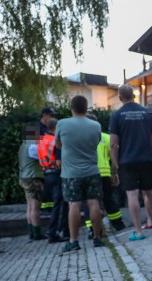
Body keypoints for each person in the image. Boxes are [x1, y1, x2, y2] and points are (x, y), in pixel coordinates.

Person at [109, 84, 152, 241]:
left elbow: (114, 143)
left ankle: (139, 231)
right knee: (150, 192)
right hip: (146, 158)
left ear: (120, 98)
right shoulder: (147, 113)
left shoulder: (117, 115)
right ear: (134, 95)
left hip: (126, 160)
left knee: (131, 194)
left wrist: (116, 163)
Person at [55, 95, 103, 252]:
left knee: (74, 205)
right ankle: (97, 238)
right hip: (92, 170)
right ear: (86, 107)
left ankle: (73, 241)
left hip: (71, 173)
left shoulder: (62, 124)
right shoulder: (95, 125)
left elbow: (58, 144)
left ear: (71, 107)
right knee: (94, 203)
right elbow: (96, 142)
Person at [84, 114, 126, 234]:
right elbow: (113, 158)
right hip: (104, 173)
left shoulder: (81, 138)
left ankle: (92, 229)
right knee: (109, 199)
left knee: (90, 202)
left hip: (88, 173)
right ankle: (118, 224)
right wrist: (115, 173)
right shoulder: (106, 137)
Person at [37, 118, 69, 243]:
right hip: (57, 174)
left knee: (55, 205)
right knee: (60, 205)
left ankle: (55, 231)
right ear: (56, 128)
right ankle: (56, 232)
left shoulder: (42, 140)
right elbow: (59, 162)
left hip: (46, 174)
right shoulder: (56, 141)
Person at [18, 123, 46, 240]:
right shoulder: (32, 146)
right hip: (33, 178)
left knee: (29, 206)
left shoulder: (22, 146)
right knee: (35, 207)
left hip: (24, 178)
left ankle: (31, 232)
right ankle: (37, 233)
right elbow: (41, 156)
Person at [39, 107, 56, 214]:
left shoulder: (49, 128)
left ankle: (49, 208)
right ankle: (44, 208)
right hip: (40, 164)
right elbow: (28, 150)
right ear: (44, 116)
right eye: (51, 116)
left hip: (48, 164)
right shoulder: (32, 128)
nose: (53, 118)